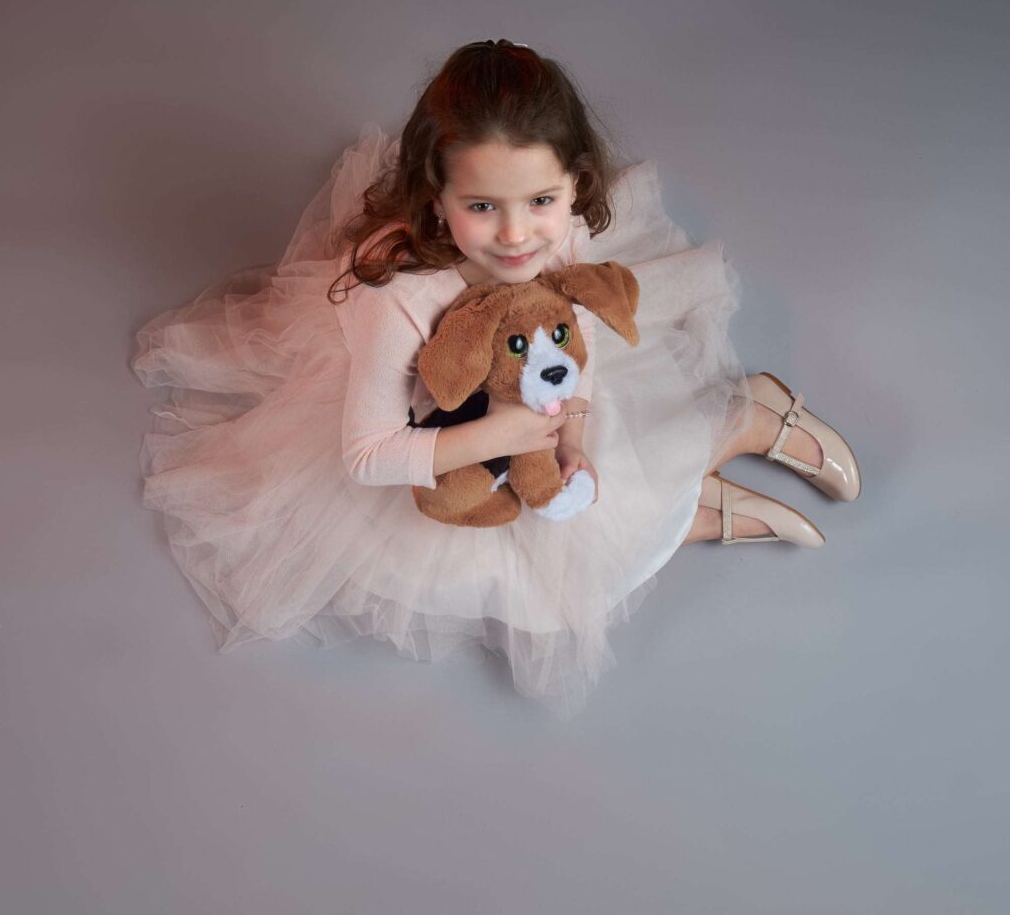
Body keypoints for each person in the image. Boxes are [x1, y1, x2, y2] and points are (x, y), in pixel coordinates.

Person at [131, 38, 861, 720]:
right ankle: (696, 498)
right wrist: (499, 434)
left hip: (530, 385)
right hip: (446, 419)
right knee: (517, 572)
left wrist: (568, 428)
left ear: (573, 187)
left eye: (540, 201)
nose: (516, 236)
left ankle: (748, 417)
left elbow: (575, 333)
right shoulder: (393, 297)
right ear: (436, 199)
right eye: (482, 207)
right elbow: (368, 453)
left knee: (601, 479)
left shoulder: (558, 233)